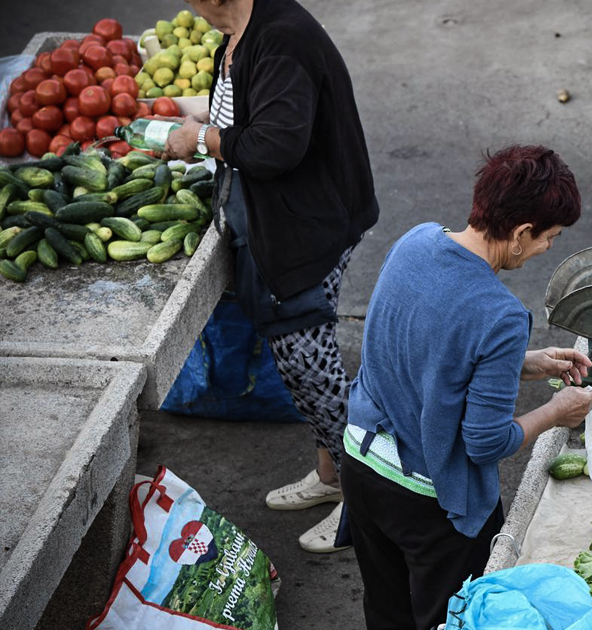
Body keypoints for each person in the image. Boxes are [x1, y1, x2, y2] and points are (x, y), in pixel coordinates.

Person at [341, 145, 592, 630]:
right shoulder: (500, 316)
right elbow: (486, 442)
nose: (547, 249)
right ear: (521, 233)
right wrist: (557, 411)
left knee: (387, 613)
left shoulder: (415, 241)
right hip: (426, 498)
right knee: (451, 620)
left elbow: (422, 353)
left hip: (362, 464)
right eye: (549, 238)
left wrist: (521, 364)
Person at [162, 0, 379, 552]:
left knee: (310, 366)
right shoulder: (239, 36)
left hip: (310, 226)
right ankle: (332, 477)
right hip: (285, 220)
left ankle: (370, 503)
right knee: (302, 364)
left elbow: (276, 145)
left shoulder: (282, 40)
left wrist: (202, 140)